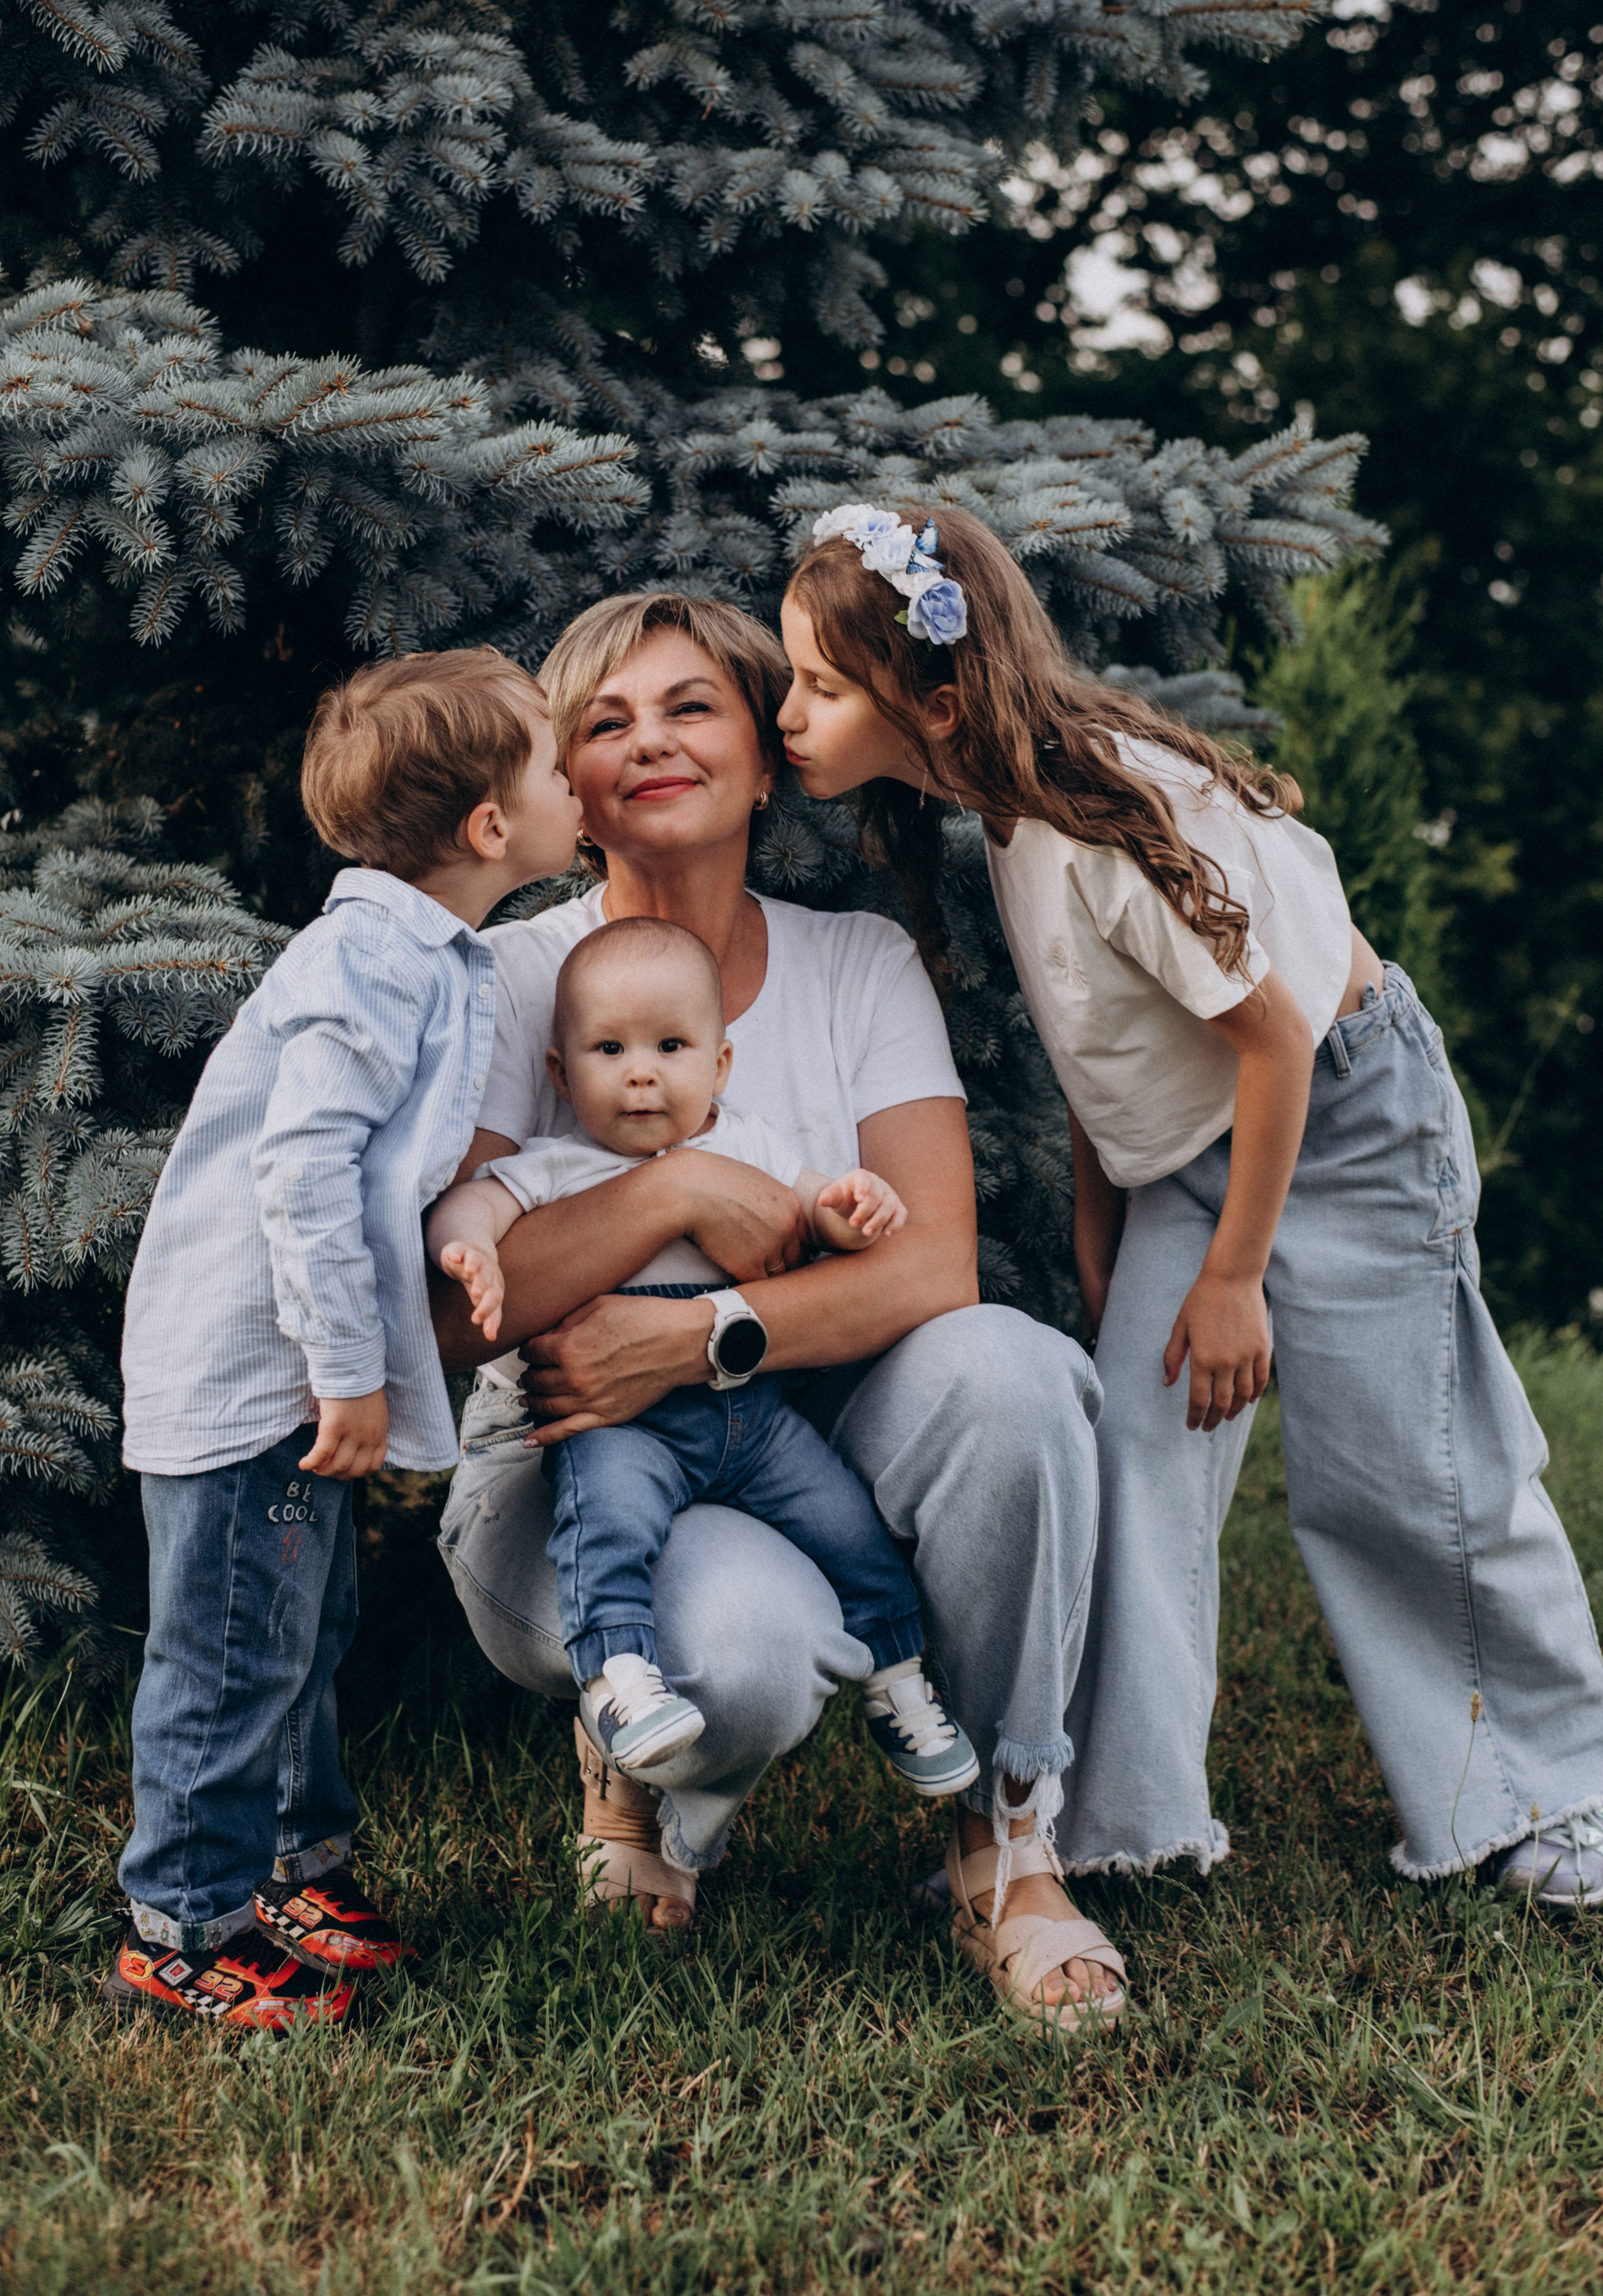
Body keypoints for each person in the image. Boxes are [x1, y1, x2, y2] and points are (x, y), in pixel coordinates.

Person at [775, 499, 1603, 1908]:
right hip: (1198, 1160)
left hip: (1340, 1123)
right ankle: (1114, 1816)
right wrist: (1115, 1255)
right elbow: (1107, 1060)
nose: (787, 709)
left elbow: (1274, 1039)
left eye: (816, 683)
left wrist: (1230, 1281)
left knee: (1402, 1476)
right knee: (1136, 1459)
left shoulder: (1093, 810)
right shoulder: (996, 817)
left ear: (929, 698)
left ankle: (1557, 1793)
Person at [431, 590, 1128, 2034]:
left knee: (1014, 1370)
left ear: (763, 751)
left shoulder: (854, 964)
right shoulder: (503, 981)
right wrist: (674, 1186)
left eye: (691, 707)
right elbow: (460, 1323)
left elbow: (928, 1271)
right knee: (733, 1667)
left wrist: (695, 1332)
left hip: (805, 1431)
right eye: (606, 722)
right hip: (572, 1470)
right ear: (569, 777)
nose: (653, 742)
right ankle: (642, 1784)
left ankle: (1002, 1839)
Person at [108, 649, 583, 2030]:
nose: (576, 791)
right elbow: (301, 1167)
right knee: (232, 1651)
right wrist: (347, 1371)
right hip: (257, 1377)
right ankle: (185, 1926)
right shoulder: (371, 957)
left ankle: (291, 1864)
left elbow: (386, 1167)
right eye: (556, 769)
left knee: (302, 1633)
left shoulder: (431, 953)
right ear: (491, 828)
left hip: (291, 1372)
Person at [426, 915, 978, 1795]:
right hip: (620, 1421)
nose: (642, 1071)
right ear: (563, 1075)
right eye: (610, 1050)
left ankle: (897, 1679)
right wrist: (471, 1250)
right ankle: (620, 1680)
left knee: (850, 1529)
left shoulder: (747, 1144)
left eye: (671, 1046)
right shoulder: (559, 1164)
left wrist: (853, 1204)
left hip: (753, 1417)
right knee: (606, 1530)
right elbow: (476, 1208)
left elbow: (814, 1206)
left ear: (719, 1065)